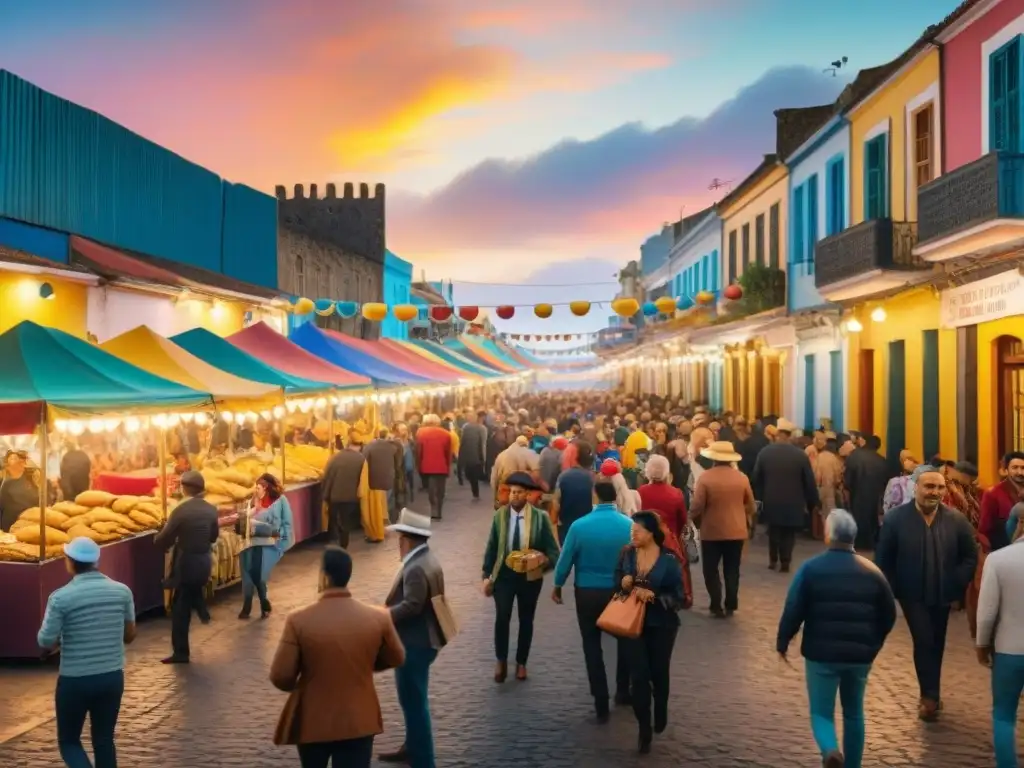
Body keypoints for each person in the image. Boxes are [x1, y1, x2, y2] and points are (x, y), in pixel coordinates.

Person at [777, 510, 896, 768]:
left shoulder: (811, 569)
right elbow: (889, 614)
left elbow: (793, 608)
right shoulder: (873, 571)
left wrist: (783, 642)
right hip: (859, 657)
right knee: (854, 712)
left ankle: (831, 750)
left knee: (821, 712)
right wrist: (873, 644)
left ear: (828, 535)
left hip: (821, 655)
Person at [270, 547, 405, 767]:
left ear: (324, 575)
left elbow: (280, 676)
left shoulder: (299, 620)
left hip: (313, 720)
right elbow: (396, 657)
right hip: (359, 718)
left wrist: (303, 682)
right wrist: (365, 664)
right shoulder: (378, 618)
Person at [875, 469, 977, 721]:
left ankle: (933, 691)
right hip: (911, 594)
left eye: (940, 488)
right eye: (929, 486)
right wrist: (891, 588)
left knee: (937, 641)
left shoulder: (956, 520)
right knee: (924, 640)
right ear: (916, 488)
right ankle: (928, 697)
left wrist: (958, 581)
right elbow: (884, 558)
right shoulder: (896, 519)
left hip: (943, 593)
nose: (935, 492)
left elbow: (969, 555)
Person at [37, 537, 136, 768]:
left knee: (69, 742)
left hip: (75, 680)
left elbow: (45, 640)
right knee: (104, 740)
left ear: (69, 562)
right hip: (112, 676)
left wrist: (62, 638)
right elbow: (130, 635)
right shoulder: (122, 592)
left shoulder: (60, 598)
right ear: (96, 561)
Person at [551, 478, 633, 722]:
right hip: (618, 592)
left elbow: (566, 558)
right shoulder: (628, 525)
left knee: (591, 643)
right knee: (625, 641)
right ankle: (621, 689)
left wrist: (558, 584)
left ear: (595, 497)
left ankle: (600, 699)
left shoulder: (579, 526)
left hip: (587, 591)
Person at [378, 509, 447, 767]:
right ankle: (412, 747)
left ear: (407, 540)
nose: (398, 543)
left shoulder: (416, 567)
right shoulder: (428, 559)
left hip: (414, 644)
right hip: (425, 640)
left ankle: (423, 759)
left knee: (414, 703)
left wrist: (383, 616)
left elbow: (411, 606)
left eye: (399, 538)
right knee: (413, 700)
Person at [615, 510, 685, 754]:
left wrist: (655, 596)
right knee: (639, 676)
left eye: (638, 530)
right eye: (632, 529)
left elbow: (679, 597)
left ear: (652, 533)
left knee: (658, 671)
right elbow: (617, 580)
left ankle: (661, 707)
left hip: (661, 624)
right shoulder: (627, 553)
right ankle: (644, 727)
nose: (633, 533)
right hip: (632, 624)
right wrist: (623, 581)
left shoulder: (669, 559)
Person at [481, 471, 561, 682]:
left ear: (527, 495)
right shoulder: (499, 516)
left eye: (519, 492)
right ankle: (501, 660)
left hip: (529, 578)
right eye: (512, 492)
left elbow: (554, 551)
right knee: (502, 617)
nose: (514, 496)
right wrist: (486, 575)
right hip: (504, 577)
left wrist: (542, 561)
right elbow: (491, 547)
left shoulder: (540, 518)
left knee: (526, 620)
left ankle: (521, 663)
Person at [153, 470, 219, 664]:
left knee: (180, 609)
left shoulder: (180, 510)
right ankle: (202, 611)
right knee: (190, 594)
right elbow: (214, 536)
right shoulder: (211, 509)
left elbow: (165, 537)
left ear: (185, 489)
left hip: (186, 564)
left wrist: (157, 540)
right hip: (204, 561)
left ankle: (181, 652)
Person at [977, 516, 1024, 767]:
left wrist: (982, 645)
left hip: (1009, 650)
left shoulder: (999, 559)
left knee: (1004, 715)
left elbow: (986, 612)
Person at [690, 441, 756, 618]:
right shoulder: (741, 477)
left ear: (713, 459)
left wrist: (693, 520)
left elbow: (697, 506)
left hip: (711, 531)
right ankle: (731, 602)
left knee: (711, 568)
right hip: (737, 530)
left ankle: (716, 603)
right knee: (732, 568)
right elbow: (751, 505)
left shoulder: (705, 478)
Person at [751, 419, 819, 573]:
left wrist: (758, 498)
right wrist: (812, 502)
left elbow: (756, 478)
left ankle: (773, 559)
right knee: (789, 534)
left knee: (773, 531)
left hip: (771, 499)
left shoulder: (765, 452)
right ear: (790, 436)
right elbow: (808, 480)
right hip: (793, 501)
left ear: (777, 435)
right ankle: (786, 561)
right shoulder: (800, 455)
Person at [238, 473, 294, 620]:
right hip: (249, 543)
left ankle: (263, 603)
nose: (256, 490)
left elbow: (287, 523)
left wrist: (279, 540)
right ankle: (247, 605)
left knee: (259, 574)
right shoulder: (253, 501)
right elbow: (247, 517)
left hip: (268, 544)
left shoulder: (281, 501)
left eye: (259, 487)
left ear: (266, 487)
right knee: (247, 575)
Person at [322, 432, 370, 546]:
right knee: (346, 520)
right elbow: (363, 481)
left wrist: (325, 494)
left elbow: (326, 476)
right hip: (351, 496)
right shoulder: (361, 459)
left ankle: (335, 537)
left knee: (334, 517)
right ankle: (344, 543)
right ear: (359, 446)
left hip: (334, 495)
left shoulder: (335, 457)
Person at [844, 435, 890, 550]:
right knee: (872, 519)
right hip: (876, 496)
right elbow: (886, 481)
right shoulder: (882, 460)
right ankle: (870, 543)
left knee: (857, 517)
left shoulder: (854, 456)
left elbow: (847, 479)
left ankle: (857, 543)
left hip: (857, 494)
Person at [552, 442, 596, 543]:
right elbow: (595, 504)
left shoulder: (563, 477)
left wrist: (553, 524)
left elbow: (556, 506)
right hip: (587, 528)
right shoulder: (592, 478)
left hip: (567, 528)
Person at [981, 451, 1024, 552]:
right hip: (1004, 551)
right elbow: (984, 530)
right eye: (1015, 468)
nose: (1020, 472)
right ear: (1006, 470)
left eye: (1023, 468)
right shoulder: (993, 494)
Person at [637, 454, 686, 540]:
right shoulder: (676, 493)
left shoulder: (640, 492)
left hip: (646, 540)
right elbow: (682, 520)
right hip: (669, 539)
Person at [415, 415, 453, 520]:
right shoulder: (446, 434)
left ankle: (434, 507)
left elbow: (419, 452)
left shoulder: (420, 433)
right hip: (441, 466)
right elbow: (448, 453)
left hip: (426, 466)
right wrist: (448, 467)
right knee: (440, 490)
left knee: (430, 489)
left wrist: (418, 465)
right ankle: (438, 510)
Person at [459, 410, 488, 501]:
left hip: (470, 455)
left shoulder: (466, 427)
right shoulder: (481, 428)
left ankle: (475, 492)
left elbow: (462, 442)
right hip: (475, 455)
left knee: (472, 475)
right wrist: (484, 458)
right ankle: (476, 492)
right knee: (474, 474)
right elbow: (483, 444)